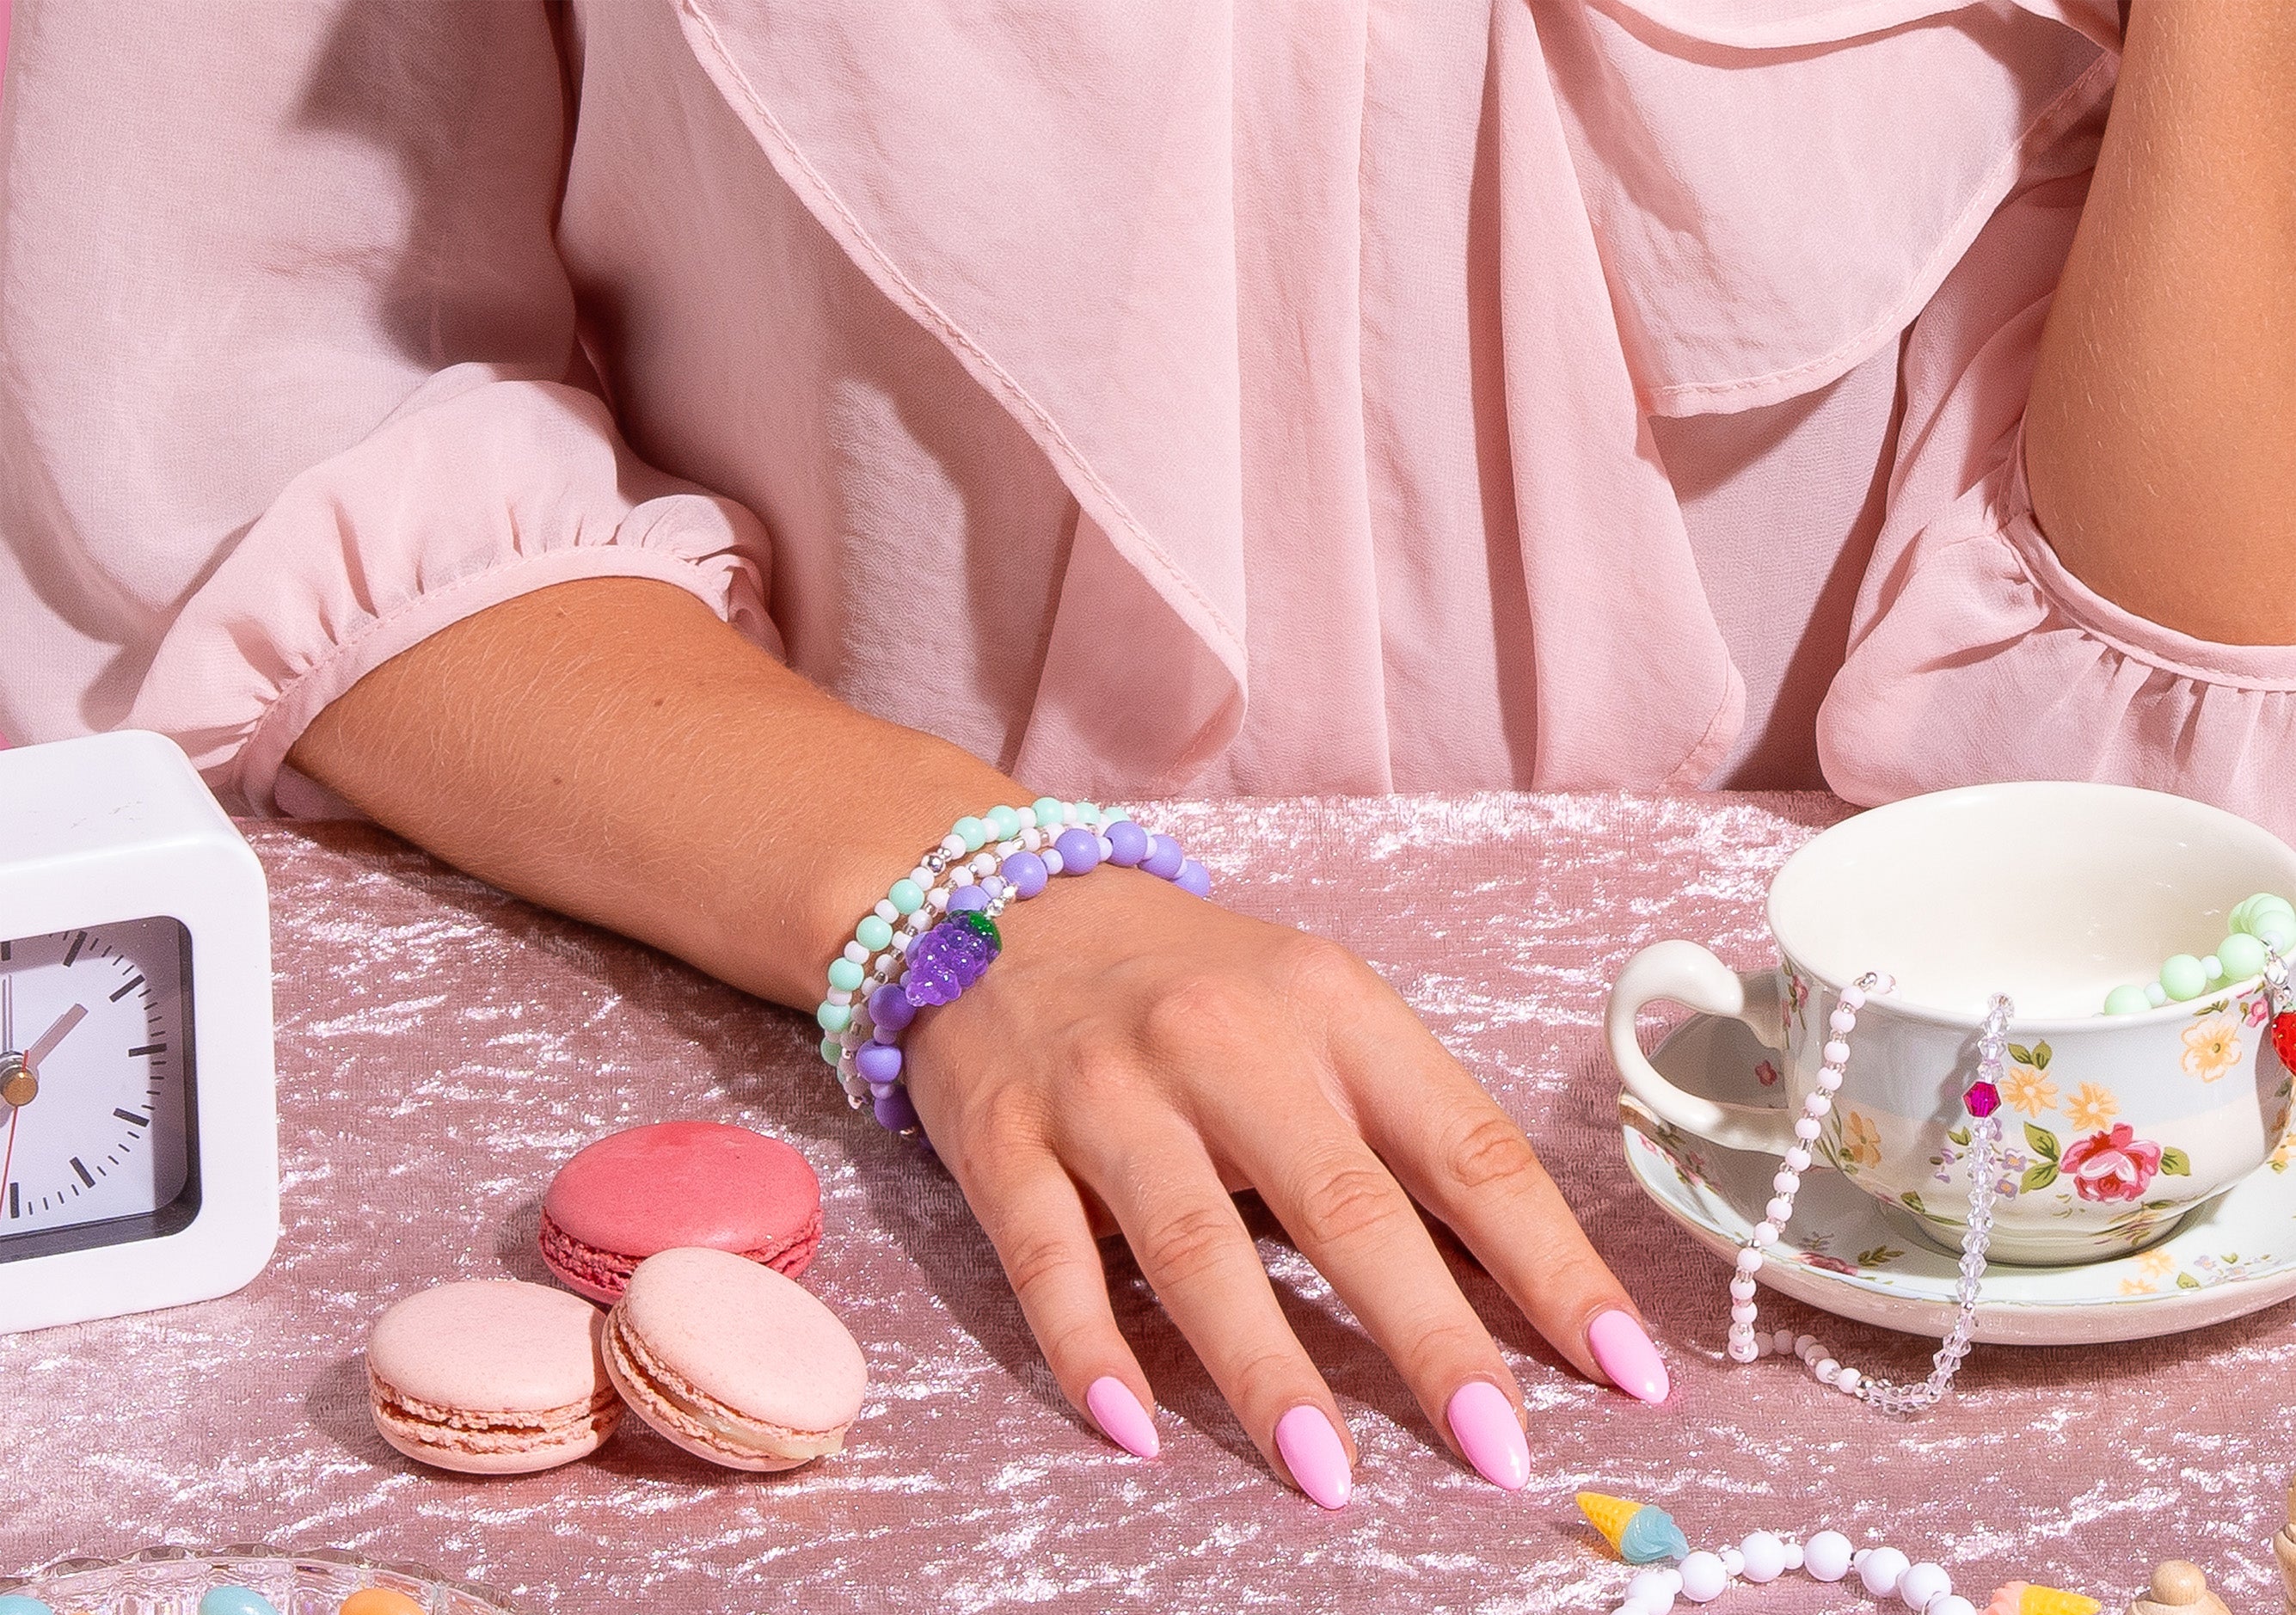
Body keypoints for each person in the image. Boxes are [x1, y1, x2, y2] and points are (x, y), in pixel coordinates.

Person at [2, 3, 2290, 1505]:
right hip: (889, 1191)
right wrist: (977, 902)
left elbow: (2192, 728)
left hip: (1925, 1287)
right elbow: (231, 416)